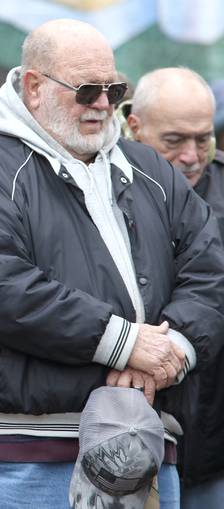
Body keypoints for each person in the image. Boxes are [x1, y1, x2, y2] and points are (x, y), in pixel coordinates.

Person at [0, 19, 224, 509]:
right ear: (34, 86)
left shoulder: (152, 172)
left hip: (150, 442)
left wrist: (172, 350)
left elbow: (209, 270)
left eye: (113, 88)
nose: (104, 103)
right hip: (28, 456)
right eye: (87, 90)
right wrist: (123, 343)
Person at [126, 66, 224, 508]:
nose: (191, 155)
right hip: (120, 429)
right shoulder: (99, 189)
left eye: (203, 139)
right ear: (135, 126)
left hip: (212, 441)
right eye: (174, 141)